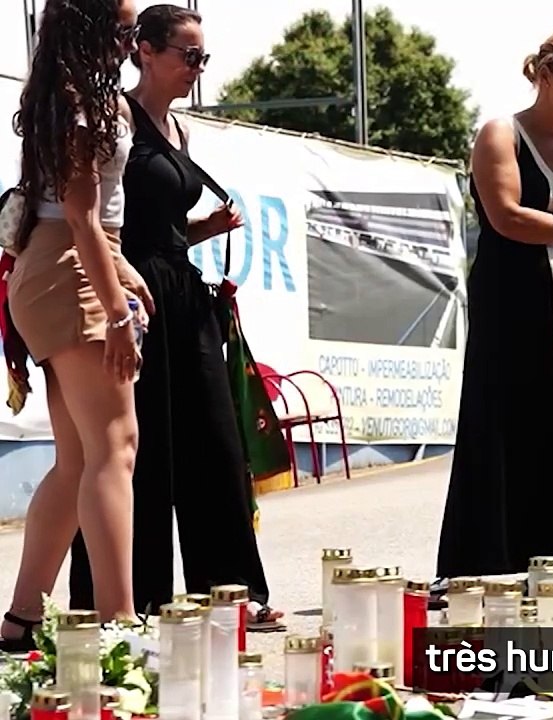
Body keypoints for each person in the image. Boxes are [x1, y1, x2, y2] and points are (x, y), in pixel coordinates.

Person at [63, 4, 283, 630]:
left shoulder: (180, 129)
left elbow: (161, 225)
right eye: (188, 55)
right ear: (146, 52)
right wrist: (115, 301)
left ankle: (233, 593)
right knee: (137, 451)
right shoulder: (118, 119)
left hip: (181, 290)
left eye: (203, 58)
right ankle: (129, 599)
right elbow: (102, 218)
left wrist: (203, 230)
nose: (197, 68)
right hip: (130, 291)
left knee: (213, 441)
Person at [435, 30, 553, 577]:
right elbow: (507, 216)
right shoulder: (502, 134)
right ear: (545, 74)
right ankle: (499, 559)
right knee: (516, 424)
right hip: (516, 306)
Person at [1, 0, 152, 652]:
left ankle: (22, 620)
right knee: (115, 450)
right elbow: (83, 217)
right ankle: (118, 627)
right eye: (126, 29)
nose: (133, 39)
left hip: (56, 267)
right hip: (72, 268)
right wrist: (118, 311)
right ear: (96, 30)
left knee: (79, 459)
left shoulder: (63, 95)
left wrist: (124, 274)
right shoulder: (85, 101)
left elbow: (88, 218)